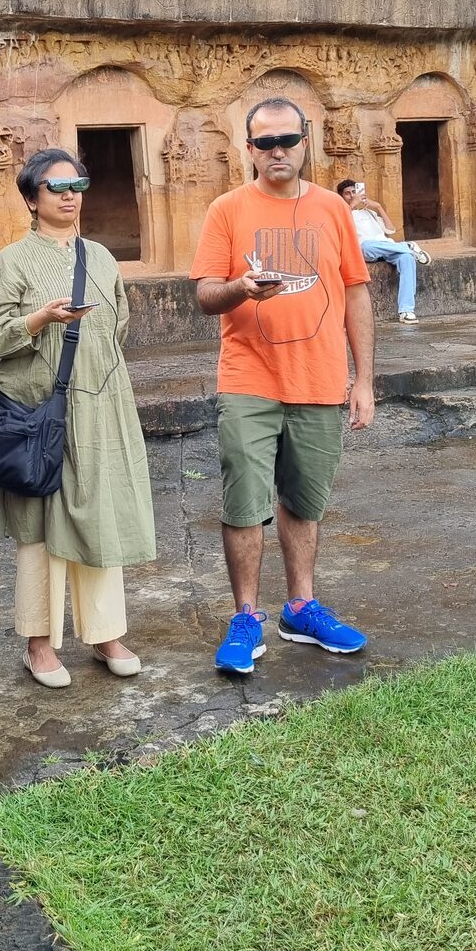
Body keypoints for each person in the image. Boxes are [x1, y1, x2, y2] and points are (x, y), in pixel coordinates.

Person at [190, 97, 375, 675]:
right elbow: (202, 294)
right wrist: (241, 287)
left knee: (304, 498)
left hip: (319, 378)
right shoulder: (227, 209)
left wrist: (364, 378)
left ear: (304, 143)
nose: (277, 152)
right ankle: (247, 616)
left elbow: (355, 292)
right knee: (244, 498)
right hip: (249, 376)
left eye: (287, 141)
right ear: (249, 149)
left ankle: (301, 606)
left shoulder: (331, 209)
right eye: (265, 143)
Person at [0, 148, 155, 689]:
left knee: (98, 513)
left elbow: (118, 327)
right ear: (32, 199)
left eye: (77, 183)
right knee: (40, 523)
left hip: (101, 406)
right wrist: (39, 318)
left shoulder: (100, 256)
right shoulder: (12, 260)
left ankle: (106, 633)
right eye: (55, 187)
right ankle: (39, 644)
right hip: (41, 413)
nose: (69, 194)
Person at [337, 179, 431, 325]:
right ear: (342, 197)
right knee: (367, 246)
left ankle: (406, 311)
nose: (352, 195)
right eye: (347, 194)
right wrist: (352, 204)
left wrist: (379, 207)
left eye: (354, 192)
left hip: (388, 247)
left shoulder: (370, 213)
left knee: (407, 259)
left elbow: (390, 230)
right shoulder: (342, 213)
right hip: (366, 249)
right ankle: (408, 247)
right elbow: (340, 228)